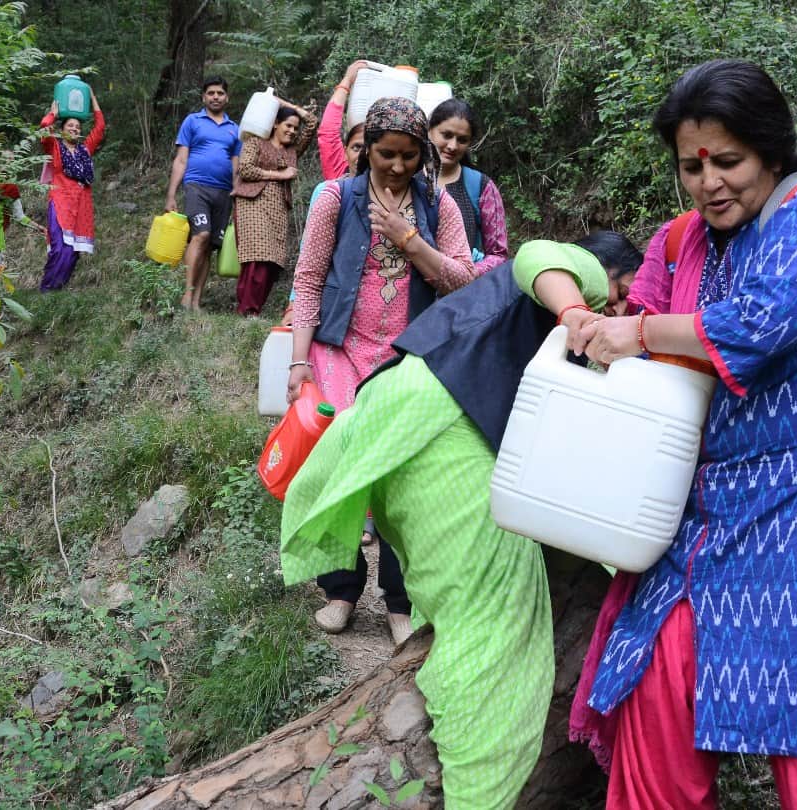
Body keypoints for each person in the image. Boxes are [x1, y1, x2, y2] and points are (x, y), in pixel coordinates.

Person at [566, 59, 797, 809]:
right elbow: (634, 346)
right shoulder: (681, 242)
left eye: (728, 161)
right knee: (657, 686)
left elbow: (759, 324)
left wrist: (638, 332)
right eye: (691, 165)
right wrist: (582, 320)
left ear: (772, 152)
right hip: (717, 503)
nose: (708, 181)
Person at [281, 232, 642, 809]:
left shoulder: (533, 321)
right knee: (499, 629)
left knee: (460, 600)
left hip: (399, 421)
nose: (621, 310)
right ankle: (480, 793)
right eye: (623, 292)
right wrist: (579, 308)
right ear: (607, 272)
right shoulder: (582, 283)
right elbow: (535, 254)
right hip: (444, 434)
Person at [287, 97, 475, 644]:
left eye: (409, 157)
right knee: (340, 468)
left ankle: (400, 599)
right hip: (339, 349)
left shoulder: (439, 205)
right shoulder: (333, 199)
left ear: (423, 156)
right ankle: (341, 589)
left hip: (408, 357)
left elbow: (465, 278)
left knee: (400, 474)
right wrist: (300, 361)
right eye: (387, 154)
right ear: (366, 148)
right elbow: (307, 280)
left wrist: (410, 241)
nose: (397, 166)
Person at [279, 60, 370, 327]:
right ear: (345, 150)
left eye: (371, 147)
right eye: (356, 147)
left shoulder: (404, 191)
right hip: (329, 293)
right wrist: (347, 80)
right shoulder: (333, 185)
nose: (363, 154)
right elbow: (328, 131)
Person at [231, 100, 317, 316]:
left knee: (272, 260)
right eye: (288, 125)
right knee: (255, 257)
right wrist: (279, 175)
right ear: (276, 123)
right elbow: (245, 170)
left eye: (295, 128)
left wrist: (284, 103)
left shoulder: (293, 151)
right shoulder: (255, 142)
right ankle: (246, 309)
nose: (292, 131)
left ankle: (255, 309)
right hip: (252, 202)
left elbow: (312, 123)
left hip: (278, 206)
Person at [166, 77, 241, 312]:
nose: (215, 97)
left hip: (223, 192)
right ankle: (186, 296)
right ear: (204, 97)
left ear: (226, 97)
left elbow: (237, 165)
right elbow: (180, 159)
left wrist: (237, 192)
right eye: (211, 93)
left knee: (210, 245)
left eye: (220, 93)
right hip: (196, 186)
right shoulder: (192, 121)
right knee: (201, 235)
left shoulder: (235, 129)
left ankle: (197, 301)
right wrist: (171, 195)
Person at [428, 98, 509, 275]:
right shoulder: (407, 179)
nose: (452, 146)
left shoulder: (481, 186)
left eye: (462, 140)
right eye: (446, 135)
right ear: (429, 131)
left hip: (463, 295)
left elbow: (498, 253)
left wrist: (469, 273)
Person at [38, 92, 106, 291]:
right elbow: (43, 130)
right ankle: (46, 288)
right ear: (62, 129)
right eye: (70, 126)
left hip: (82, 204)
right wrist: (53, 114)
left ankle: (57, 289)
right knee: (60, 248)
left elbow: (100, 127)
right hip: (60, 201)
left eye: (77, 127)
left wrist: (92, 98)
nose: (75, 129)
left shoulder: (85, 150)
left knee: (74, 251)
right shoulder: (56, 148)